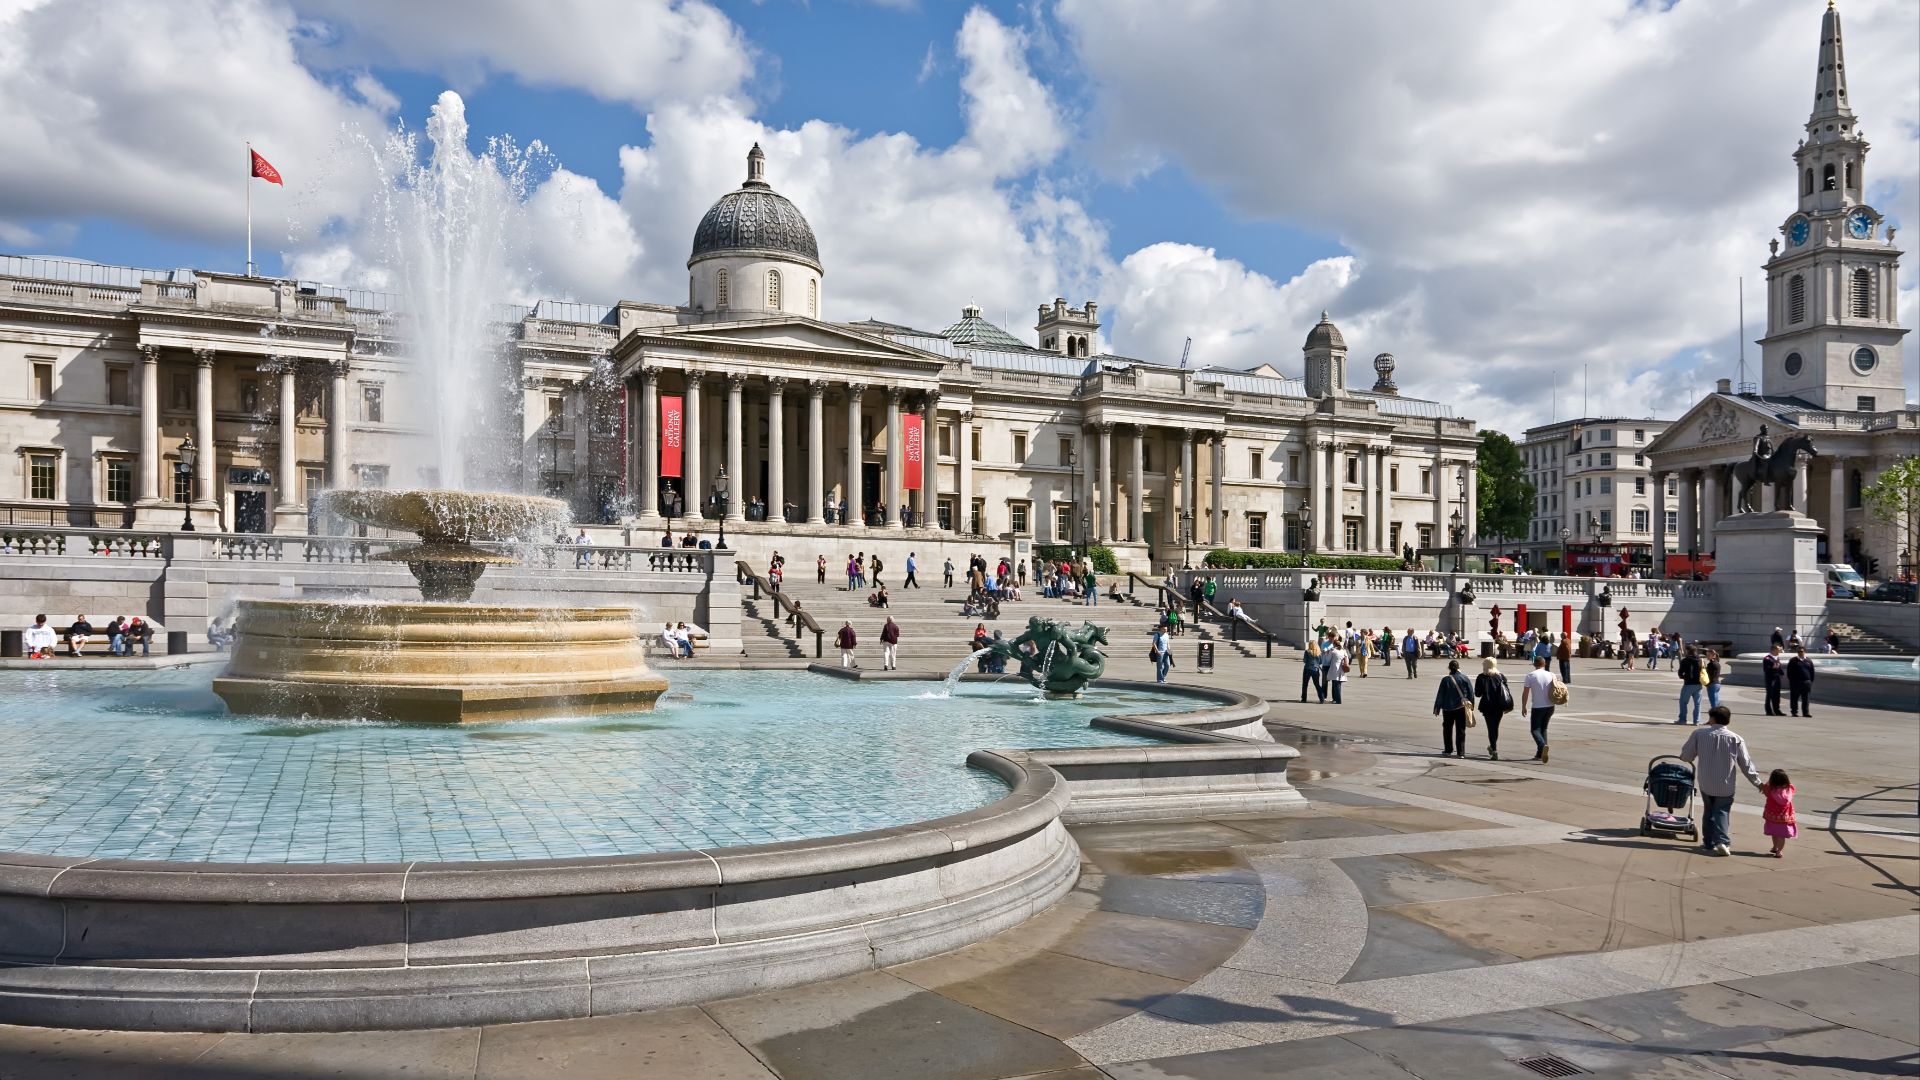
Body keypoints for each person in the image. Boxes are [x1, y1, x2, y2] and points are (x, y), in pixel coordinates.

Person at [1680, 705, 1762, 857]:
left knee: (1709, 810)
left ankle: (1709, 842)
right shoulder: (1735, 738)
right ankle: (1722, 841)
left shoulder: (1699, 734)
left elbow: (1686, 756)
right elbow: (1746, 764)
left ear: (1712, 718)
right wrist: (1758, 783)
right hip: (1726, 784)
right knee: (1722, 811)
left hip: (1706, 781)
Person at [1518, 655, 1556, 763]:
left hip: (1538, 707)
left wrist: (1524, 706)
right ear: (1544, 664)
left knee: (1534, 730)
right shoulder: (1551, 674)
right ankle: (1541, 754)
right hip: (1550, 706)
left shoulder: (1530, 676)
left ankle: (1542, 745)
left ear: (1534, 664)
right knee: (1543, 729)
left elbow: (1525, 692)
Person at [1473, 657, 1512, 760]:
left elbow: (1477, 694)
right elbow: (1507, 690)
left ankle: (1494, 750)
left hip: (1488, 706)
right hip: (1499, 706)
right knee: (1495, 727)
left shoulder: (1481, 677)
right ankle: (1492, 746)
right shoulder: (1501, 677)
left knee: (1491, 728)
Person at [1433, 658, 1474, 758]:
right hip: (1461, 707)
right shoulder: (1465, 678)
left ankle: (1448, 750)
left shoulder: (1446, 679)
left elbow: (1440, 694)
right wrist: (1471, 706)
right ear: (1459, 668)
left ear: (1449, 668)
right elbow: (1470, 693)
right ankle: (1461, 753)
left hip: (1447, 708)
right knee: (1461, 730)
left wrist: (1437, 708)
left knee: (1447, 729)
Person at [1761, 769, 1796, 859]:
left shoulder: (1770, 790)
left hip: (1772, 816)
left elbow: (1764, 789)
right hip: (1784, 817)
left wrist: (1769, 782)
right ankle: (1779, 851)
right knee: (1782, 835)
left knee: (1774, 833)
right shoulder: (1789, 789)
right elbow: (1793, 788)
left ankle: (1775, 847)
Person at [1676, 645, 1704, 725]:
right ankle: (1696, 721)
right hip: (1699, 685)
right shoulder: (1701, 660)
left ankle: (1682, 720)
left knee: (1683, 702)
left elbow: (1680, 673)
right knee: (1697, 704)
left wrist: (1685, 677)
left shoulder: (1685, 661)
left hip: (1688, 684)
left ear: (1688, 651)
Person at [1786, 645, 1816, 716]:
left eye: (1801, 651)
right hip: (1795, 683)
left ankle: (1806, 712)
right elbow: (1789, 672)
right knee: (1794, 698)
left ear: (1804, 652)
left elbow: (1812, 672)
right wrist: (1792, 681)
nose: (1800, 653)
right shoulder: (1793, 660)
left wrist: (1810, 681)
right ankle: (1794, 712)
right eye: (1798, 651)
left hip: (1806, 683)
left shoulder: (1809, 661)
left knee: (1806, 698)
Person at [1760, 645, 1785, 716]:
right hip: (1770, 679)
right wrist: (1773, 667)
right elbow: (1766, 669)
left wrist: (1781, 673)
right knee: (1770, 695)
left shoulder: (1777, 658)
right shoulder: (1767, 658)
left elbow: (1779, 668)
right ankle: (1769, 711)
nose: (1780, 650)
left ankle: (1777, 710)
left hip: (1777, 679)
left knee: (1777, 695)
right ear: (1773, 650)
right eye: (1778, 649)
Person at [1300, 638, 1323, 703]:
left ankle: (1304, 699)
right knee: (1317, 684)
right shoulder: (1319, 652)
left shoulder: (1307, 652)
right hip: (1315, 670)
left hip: (1307, 669)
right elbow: (1321, 662)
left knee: (1305, 684)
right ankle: (1321, 698)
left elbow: (1304, 660)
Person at [1328, 636, 1349, 705]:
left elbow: (1328, 659)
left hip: (1334, 669)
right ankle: (1335, 699)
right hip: (1342, 669)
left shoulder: (1333, 650)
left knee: (1336, 684)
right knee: (1338, 684)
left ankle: (1338, 700)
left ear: (1334, 644)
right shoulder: (1343, 651)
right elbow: (1347, 660)